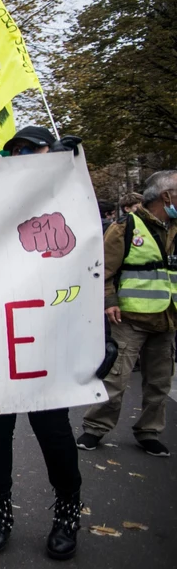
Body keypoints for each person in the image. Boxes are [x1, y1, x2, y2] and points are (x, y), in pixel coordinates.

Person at [0, 126, 83, 561]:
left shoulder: (67, 199)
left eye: (33, 153)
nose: (23, 159)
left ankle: (67, 513)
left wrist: (71, 167)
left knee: (54, 433)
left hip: (45, 338)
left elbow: (87, 263)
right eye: (15, 153)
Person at [78, 170, 176, 458]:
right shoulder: (125, 228)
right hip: (130, 319)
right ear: (165, 196)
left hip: (167, 319)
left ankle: (149, 432)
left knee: (159, 380)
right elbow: (102, 269)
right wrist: (109, 301)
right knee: (116, 378)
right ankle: (95, 427)